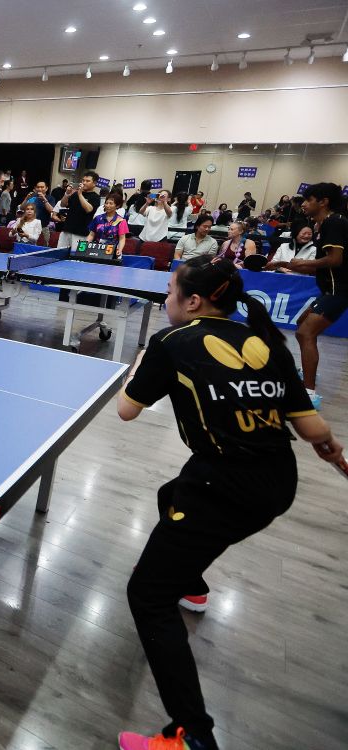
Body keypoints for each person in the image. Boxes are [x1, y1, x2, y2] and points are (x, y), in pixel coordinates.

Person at [116, 254, 342, 750]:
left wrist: (140, 361)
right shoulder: (265, 340)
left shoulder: (171, 342)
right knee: (169, 494)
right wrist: (332, 449)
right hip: (277, 481)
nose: (167, 298)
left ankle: (190, 735)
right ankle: (192, 586)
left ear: (194, 301)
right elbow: (310, 426)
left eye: (171, 291)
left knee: (147, 596)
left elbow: (127, 410)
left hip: (222, 486)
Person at [275, 183, 347, 410]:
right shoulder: (326, 223)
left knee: (306, 332)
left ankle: (308, 393)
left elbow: (335, 260)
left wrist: (302, 262)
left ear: (323, 202)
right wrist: (283, 263)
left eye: (309, 200)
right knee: (302, 323)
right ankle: (307, 373)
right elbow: (321, 265)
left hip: (340, 289)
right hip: (330, 288)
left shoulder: (334, 222)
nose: (304, 204)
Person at [58, 170, 100, 251]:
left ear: (94, 183)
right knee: (60, 253)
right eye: (83, 180)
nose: (84, 183)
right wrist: (67, 194)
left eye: (87, 181)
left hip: (82, 233)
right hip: (67, 230)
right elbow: (63, 204)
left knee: (77, 256)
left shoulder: (95, 197)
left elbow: (89, 209)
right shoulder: (75, 194)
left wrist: (80, 194)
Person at [86, 194, 128, 258]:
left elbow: (122, 239)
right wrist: (86, 245)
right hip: (96, 250)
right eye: (106, 203)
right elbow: (91, 235)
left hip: (112, 252)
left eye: (111, 203)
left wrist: (119, 250)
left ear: (117, 206)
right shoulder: (98, 218)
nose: (108, 205)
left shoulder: (121, 221)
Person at [19, 181, 56, 246]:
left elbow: (51, 211)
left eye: (42, 187)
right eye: (38, 187)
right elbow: (22, 208)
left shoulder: (50, 198)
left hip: (43, 227)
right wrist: (26, 198)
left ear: (46, 188)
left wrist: (44, 199)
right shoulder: (32, 197)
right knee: (29, 245)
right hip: (30, 226)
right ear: (35, 188)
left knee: (43, 248)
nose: (40, 189)